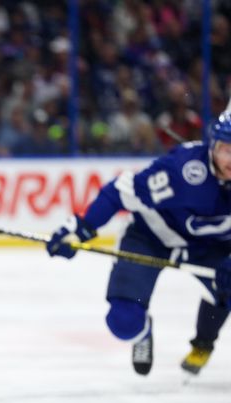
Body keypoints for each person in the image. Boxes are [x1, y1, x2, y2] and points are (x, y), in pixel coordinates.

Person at [46, 111, 231, 377]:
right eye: (227, 149)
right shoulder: (182, 172)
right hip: (150, 237)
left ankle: (203, 344)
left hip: (208, 248)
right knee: (124, 321)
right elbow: (119, 192)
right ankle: (143, 333)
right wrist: (81, 227)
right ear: (212, 146)